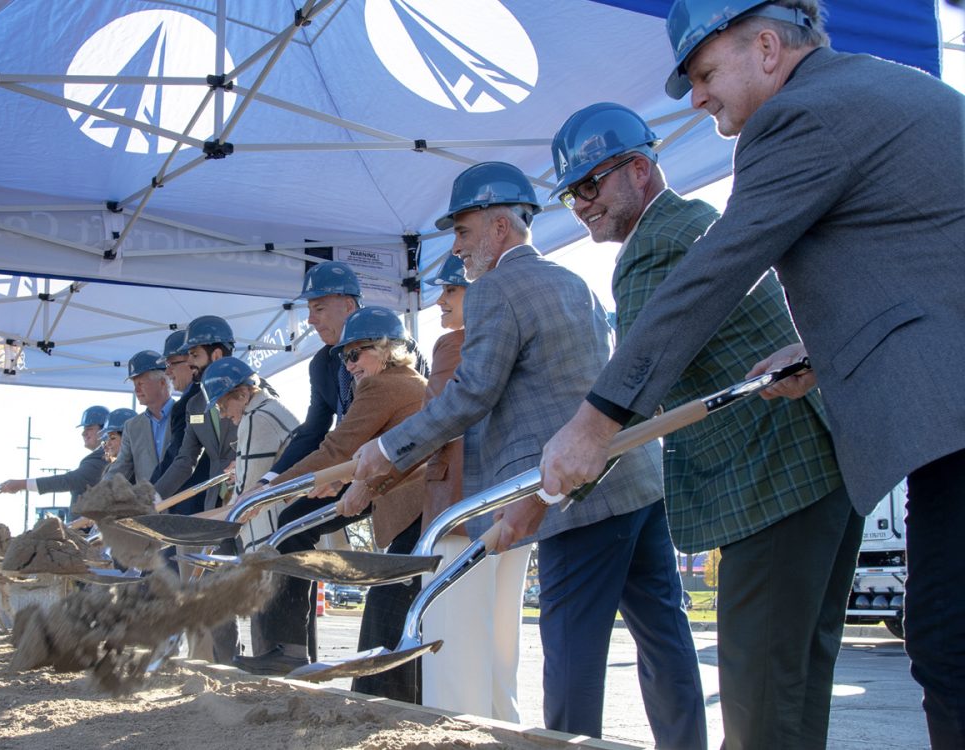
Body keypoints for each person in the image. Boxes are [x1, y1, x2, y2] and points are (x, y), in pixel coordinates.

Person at [538, 2, 965, 746]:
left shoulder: (798, 117)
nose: (696, 97)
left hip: (792, 481)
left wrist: (593, 420)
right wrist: (820, 351)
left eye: (704, 73)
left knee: (947, 652)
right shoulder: (877, 88)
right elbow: (925, 270)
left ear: (767, 48)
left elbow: (713, 277)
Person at [352, 162, 705, 747]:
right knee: (664, 638)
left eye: (463, 232)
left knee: (571, 651)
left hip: (575, 498)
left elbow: (472, 394)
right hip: (635, 478)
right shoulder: (574, 281)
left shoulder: (497, 289)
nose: (458, 249)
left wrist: (389, 449)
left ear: (498, 228)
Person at [551, 100, 862, 748]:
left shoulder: (659, 246)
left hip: (773, 479)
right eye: (570, 194)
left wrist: (545, 495)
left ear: (639, 170)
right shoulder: (688, 227)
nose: (580, 204)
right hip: (817, 471)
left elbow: (632, 380)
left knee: (758, 705)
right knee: (795, 689)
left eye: (589, 184)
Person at [262, 306, 426, 703]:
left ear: (387, 349)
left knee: (389, 601)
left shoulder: (381, 386)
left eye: (356, 354)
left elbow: (336, 447)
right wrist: (350, 479)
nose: (349, 365)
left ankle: (377, 701)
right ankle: (386, 699)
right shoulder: (411, 382)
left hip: (419, 503)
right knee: (394, 603)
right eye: (345, 356)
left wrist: (262, 493)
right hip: (412, 497)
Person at [415, 253, 532, 723]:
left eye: (451, 290)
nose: (440, 301)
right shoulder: (523, 332)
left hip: (460, 508)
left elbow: (438, 423)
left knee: (453, 645)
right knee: (500, 646)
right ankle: (502, 731)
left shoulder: (455, 344)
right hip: (514, 500)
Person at [232, 261, 363, 669]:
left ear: (348, 303)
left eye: (319, 307)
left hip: (394, 466)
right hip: (348, 466)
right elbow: (312, 431)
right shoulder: (322, 364)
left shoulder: (386, 344)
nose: (310, 318)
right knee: (289, 526)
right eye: (309, 308)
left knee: (293, 526)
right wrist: (270, 480)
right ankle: (288, 652)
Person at [151, 315, 241, 665]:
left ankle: (249, 665)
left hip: (248, 502)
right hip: (212, 507)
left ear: (217, 354)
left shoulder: (252, 389)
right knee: (204, 589)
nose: (189, 364)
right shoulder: (194, 406)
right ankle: (205, 667)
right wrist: (154, 499)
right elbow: (185, 460)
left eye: (195, 357)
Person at [200, 356, 299, 547]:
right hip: (290, 519)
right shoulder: (270, 408)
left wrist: (209, 529)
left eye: (223, 405)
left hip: (274, 532)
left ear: (243, 394)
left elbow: (247, 490)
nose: (222, 414)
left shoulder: (255, 418)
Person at [0, 405, 109, 506]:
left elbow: (69, 481)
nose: (83, 433)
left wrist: (22, 484)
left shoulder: (101, 457)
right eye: (84, 429)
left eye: (89, 428)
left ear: (105, 430)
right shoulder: (101, 457)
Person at [153, 329, 212, 517]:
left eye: (171, 364)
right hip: (195, 498)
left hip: (196, 500)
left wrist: (148, 495)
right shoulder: (192, 401)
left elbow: (179, 456)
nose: (167, 372)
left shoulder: (192, 402)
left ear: (190, 360)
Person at [106, 350, 174, 484]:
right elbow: (121, 467)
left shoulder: (187, 415)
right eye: (134, 384)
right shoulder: (132, 426)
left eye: (141, 383)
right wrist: (98, 493)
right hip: (149, 504)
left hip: (184, 502)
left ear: (162, 382)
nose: (136, 390)